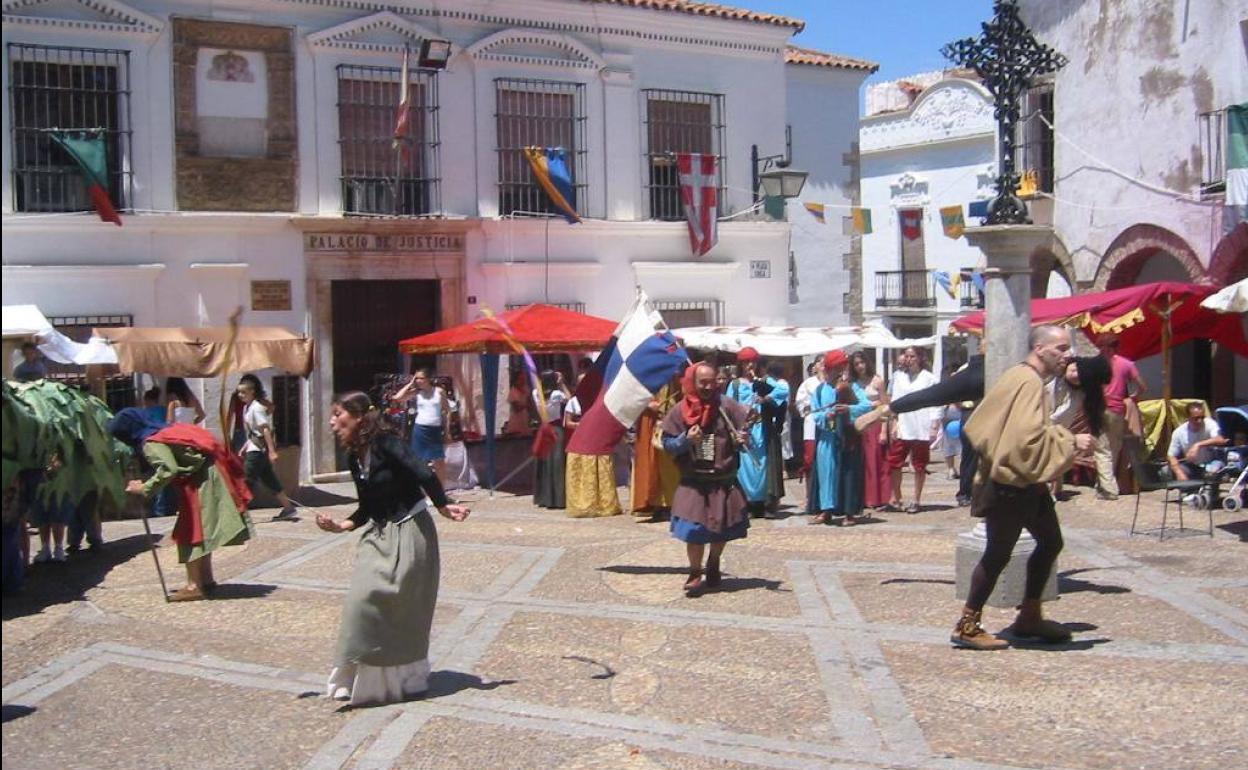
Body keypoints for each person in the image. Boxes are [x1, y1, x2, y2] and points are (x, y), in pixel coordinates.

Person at [317, 392, 470, 705]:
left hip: (410, 531)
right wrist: (340, 525)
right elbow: (365, 508)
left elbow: (423, 472)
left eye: (338, 414)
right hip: (379, 534)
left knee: (401, 608)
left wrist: (443, 506)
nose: (333, 423)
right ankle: (357, 677)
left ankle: (402, 679)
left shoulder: (387, 443)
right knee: (362, 599)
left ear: (359, 416)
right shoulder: (353, 457)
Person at [952, 325, 1095, 650]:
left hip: (1023, 481)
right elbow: (1024, 439)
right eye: (1060, 348)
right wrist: (1072, 440)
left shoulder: (1023, 379)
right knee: (998, 553)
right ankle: (967, 624)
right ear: (1039, 349)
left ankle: (1029, 615)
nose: (1067, 354)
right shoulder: (1029, 382)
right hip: (1009, 482)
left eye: (1067, 348)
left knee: (1050, 541)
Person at [110, 407, 253, 602]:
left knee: (191, 531)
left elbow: (168, 469)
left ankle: (194, 585)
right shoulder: (169, 430)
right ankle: (206, 579)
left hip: (200, 481)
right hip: (212, 475)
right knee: (201, 529)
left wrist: (144, 488)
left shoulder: (151, 442)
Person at [661, 362, 751, 597]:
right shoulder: (679, 410)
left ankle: (713, 561)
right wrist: (685, 440)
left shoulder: (727, 406)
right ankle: (694, 570)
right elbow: (667, 444)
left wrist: (742, 438)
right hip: (694, 481)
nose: (709, 386)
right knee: (694, 530)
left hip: (723, 479)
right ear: (693, 382)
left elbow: (744, 433)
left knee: (721, 530)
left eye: (713, 382)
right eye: (703, 382)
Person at [809, 351, 873, 526]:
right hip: (827, 437)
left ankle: (849, 513)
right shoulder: (820, 390)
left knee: (848, 474)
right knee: (826, 474)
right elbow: (815, 414)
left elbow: (866, 405)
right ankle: (826, 510)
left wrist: (848, 409)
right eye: (835, 368)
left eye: (841, 368)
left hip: (847, 437)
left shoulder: (850, 387)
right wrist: (827, 415)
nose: (838, 371)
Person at [1048, 356, 1111, 498]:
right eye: (1075, 369)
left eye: (1079, 378)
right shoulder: (1053, 373)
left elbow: (1059, 417)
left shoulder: (1078, 395)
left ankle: (1055, 489)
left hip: (1056, 430)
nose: (1073, 374)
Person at [1093, 334, 1146, 500]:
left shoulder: (1096, 364)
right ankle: (1102, 485)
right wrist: (1132, 397)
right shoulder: (1127, 364)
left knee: (1102, 450)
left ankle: (1109, 489)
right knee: (1113, 448)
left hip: (1100, 408)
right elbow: (1142, 386)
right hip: (1118, 410)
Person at [886, 346, 939, 513]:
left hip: (921, 425)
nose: (909, 359)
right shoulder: (898, 377)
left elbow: (936, 402)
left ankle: (916, 499)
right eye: (907, 356)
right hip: (904, 424)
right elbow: (894, 402)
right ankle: (898, 497)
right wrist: (893, 423)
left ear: (920, 358)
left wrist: (934, 425)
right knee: (895, 462)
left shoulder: (929, 378)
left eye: (912, 356)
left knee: (919, 465)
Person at [237, 377, 296, 521]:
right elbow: (253, 432)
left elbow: (265, 430)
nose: (241, 395)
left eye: (244, 392)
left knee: (246, 480)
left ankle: (239, 513)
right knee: (269, 480)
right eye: (239, 393)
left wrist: (272, 451)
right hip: (254, 447)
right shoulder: (247, 408)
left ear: (252, 392)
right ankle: (288, 508)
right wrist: (245, 446)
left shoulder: (257, 408)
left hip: (257, 451)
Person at [627, 377, 681, 522]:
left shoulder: (675, 378)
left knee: (668, 464)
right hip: (649, 421)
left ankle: (669, 504)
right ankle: (654, 503)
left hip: (668, 421)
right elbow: (633, 396)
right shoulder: (645, 374)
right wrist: (647, 404)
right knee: (651, 463)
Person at [849, 351, 891, 509]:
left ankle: (879, 498)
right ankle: (865, 497)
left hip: (876, 423)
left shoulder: (877, 381)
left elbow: (885, 406)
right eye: (856, 364)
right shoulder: (853, 383)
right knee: (863, 462)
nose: (860, 366)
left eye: (862, 362)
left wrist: (884, 430)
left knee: (877, 461)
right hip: (860, 423)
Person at [394, 369, 449, 482]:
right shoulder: (416, 392)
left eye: (421, 378)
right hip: (420, 429)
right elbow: (398, 398)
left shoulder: (439, 391)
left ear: (428, 379)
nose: (418, 381)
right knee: (419, 460)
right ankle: (423, 489)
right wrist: (410, 383)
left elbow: (446, 411)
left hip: (435, 429)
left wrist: (447, 431)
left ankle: (442, 491)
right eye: (416, 378)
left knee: (439, 462)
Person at [533, 369, 570, 509]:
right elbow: (570, 398)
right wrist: (561, 383)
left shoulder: (536, 394)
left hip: (543, 429)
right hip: (555, 430)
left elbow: (537, 387)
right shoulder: (556, 394)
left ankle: (543, 497)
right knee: (557, 463)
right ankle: (557, 499)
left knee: (544, 463)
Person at [435, 376, 478, 492]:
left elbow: (455, 419)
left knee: (451, 458)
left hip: (450, 433)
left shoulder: (451, 402)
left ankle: (454, 481)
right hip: (436, 432)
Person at [1167, 402, 1226, 481]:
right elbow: (1171, 455)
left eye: (1202, 417)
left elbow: (1220, 439)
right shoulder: (1179, 432)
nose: (1200, 421)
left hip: (1211, 463)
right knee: (1167, 471)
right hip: (1192, 466)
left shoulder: (1209, 424)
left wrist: (1198, 445)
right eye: (1196, 418)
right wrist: (1179, 473)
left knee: (1213, 470)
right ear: (1188, 417)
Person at [503, 370, 534, 436]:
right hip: (516, 421)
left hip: (525, 420)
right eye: (520, 379)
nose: (522, 381)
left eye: (523, 379)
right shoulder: (513, 391)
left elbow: (530, 405)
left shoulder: (526, 389)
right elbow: (517, 408)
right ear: (515, 380)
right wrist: (526, 405)